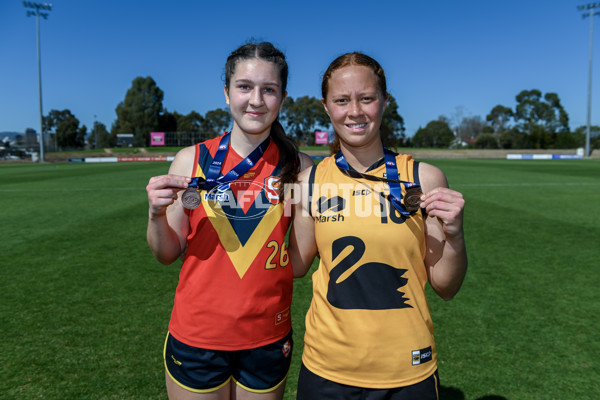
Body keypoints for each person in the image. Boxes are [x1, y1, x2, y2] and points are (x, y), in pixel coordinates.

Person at [289, 52, 468, 400]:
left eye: (366, 98)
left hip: (406, 369)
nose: (354, 111)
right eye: (342, 100)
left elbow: (446, 286)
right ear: (326, 107)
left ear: (384, 102)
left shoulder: (423, 178)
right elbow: (295, 265)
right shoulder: (309, 182)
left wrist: (455, 236)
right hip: (326, 369)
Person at [146, 41, 312, 400]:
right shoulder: (190, 160)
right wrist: (156, 214)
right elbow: (166, 252)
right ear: (226, 92)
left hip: (267, 335)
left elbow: (299, 264)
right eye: (244, 87)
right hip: (197, 335)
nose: (256, 100)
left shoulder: (300, 169)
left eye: (269, 90)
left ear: (282, 99)